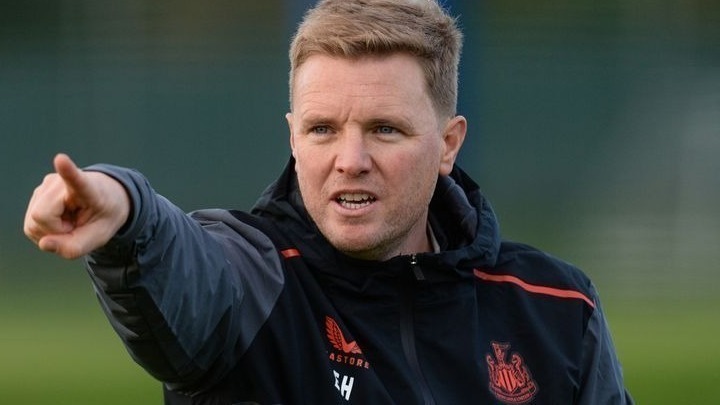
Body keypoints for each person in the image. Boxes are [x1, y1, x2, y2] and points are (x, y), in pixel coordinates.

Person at [23, 0, 633, 403]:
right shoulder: (253, 281)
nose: (350, 159)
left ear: (448, 144)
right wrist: (125, 210)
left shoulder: (556, 308)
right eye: (322, 130)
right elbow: (179, 262)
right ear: (293, 137)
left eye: (384, 129)